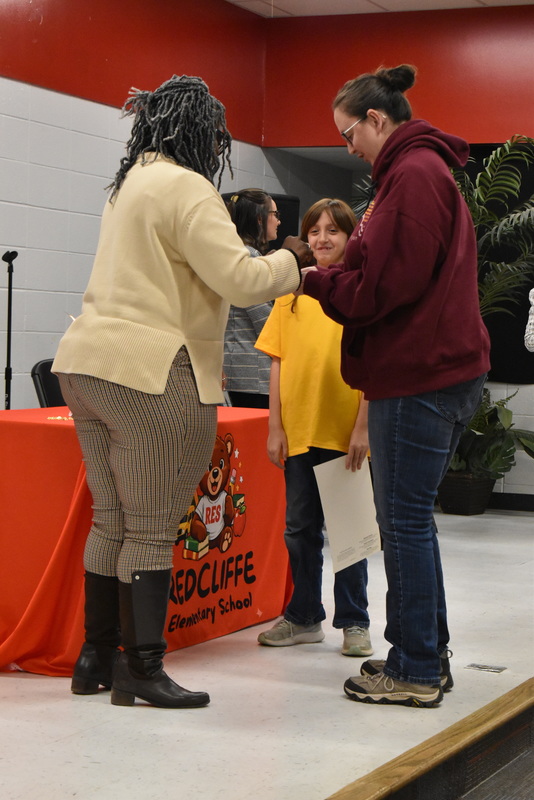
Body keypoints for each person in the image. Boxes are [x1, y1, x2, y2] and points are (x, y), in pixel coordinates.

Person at [52, 75, 311, 710]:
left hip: (85, 362)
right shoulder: (187, 187)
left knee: (111, 515)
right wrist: (293, 261)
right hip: (151, 371)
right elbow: (241, 278)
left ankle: (95, 658)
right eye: (217, 134)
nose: (220, 146)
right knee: (152, 521)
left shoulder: (130, 182)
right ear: (198, 131)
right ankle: (141, 668)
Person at [297, 65, 490, 707]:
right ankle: (425, 654)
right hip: (430, 372)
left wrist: (313, 281)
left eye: (348, 134)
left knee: (403, 524)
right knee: (412, 525)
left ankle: (413, 669)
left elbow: (383, 288)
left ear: (376, 120)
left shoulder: (412, 176)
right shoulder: (415, 173)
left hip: (419, 377)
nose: (347, 148)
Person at [255, 198, 373, 658]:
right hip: (299, 431)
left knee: (350, 531)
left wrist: (362, 426)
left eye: (333, 231)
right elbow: (278, 363)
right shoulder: (290, 294)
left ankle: (354, 622)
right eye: (315, 231)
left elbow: (371, 365)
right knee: (299, 528)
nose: (322, 239)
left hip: (344, 432)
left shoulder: (360, 292)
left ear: (350, 238)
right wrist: (274, 426)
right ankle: (304, 617)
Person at [223, 189, 281, 408]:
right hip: (253, 375)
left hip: (237, 371)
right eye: (275, 214)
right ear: (259, 218)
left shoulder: (235, 253)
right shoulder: (249, 257)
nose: (278, 220)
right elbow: (267, 324)